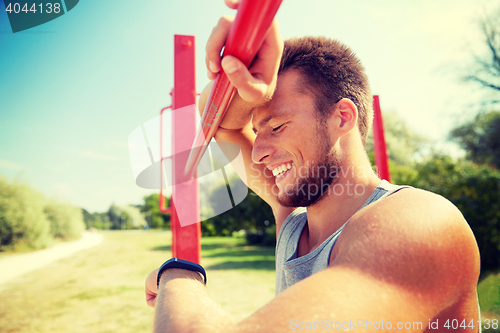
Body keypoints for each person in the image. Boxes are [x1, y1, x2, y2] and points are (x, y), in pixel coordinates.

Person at [145, 1, 481, 331]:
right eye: (258, 129)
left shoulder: (420, 222)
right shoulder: (292, 218)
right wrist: (238, 66)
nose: (258, 152)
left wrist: (178, 275)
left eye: (276, 127)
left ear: (342, 117)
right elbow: (224, 125)